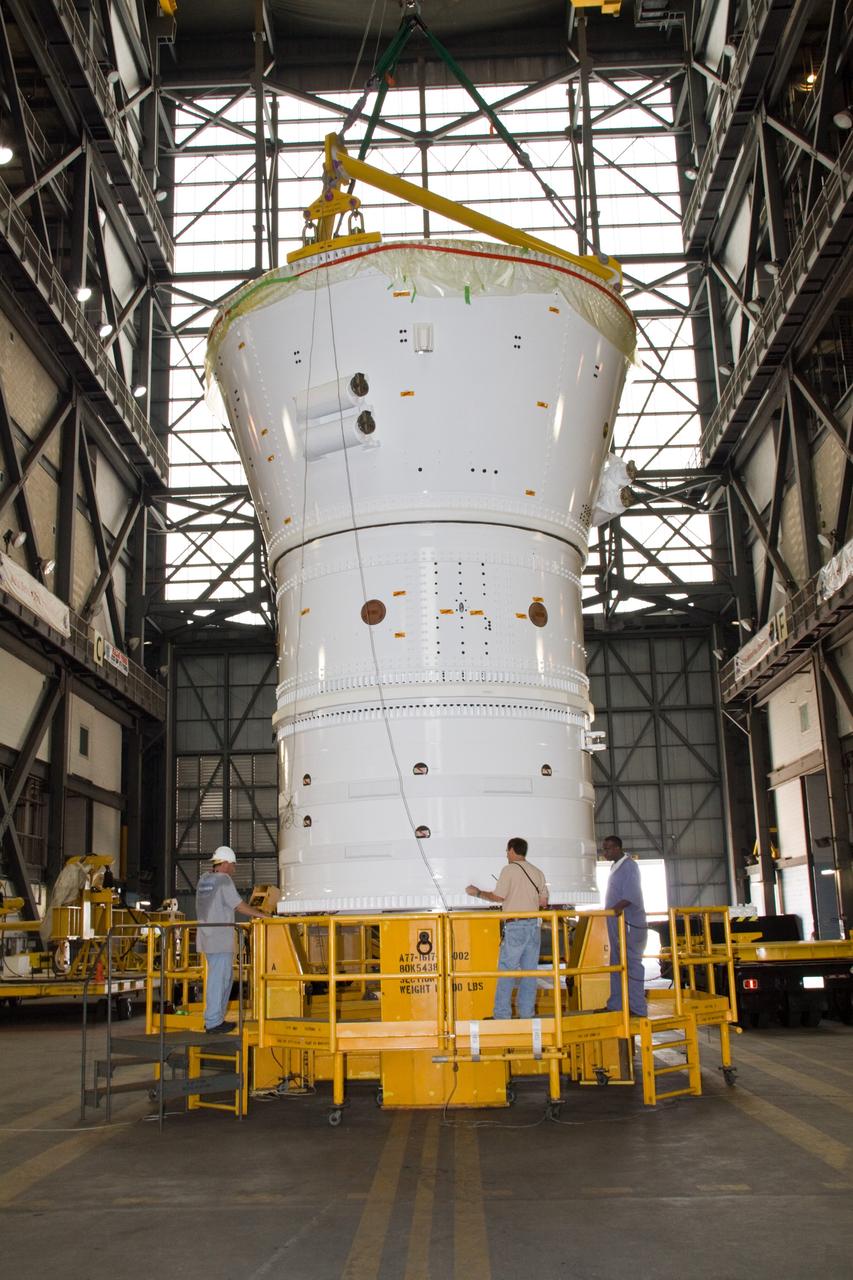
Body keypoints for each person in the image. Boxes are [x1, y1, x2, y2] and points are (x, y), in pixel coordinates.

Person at [466, 837, 548, 1019]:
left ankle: (502, 1015)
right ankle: (526, 1014)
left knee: (507, 972)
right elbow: (543, 901)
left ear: (511, 850)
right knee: (530, 973)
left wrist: (476, 892)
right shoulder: (537, 872)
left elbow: (498, 897)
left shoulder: (509, 870)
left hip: (515, 926)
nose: (506, 854)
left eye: (507, 851)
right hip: (534, 926)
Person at [195, 846, 269, 1033]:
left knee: (218, 978)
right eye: (233, 865)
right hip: (219, 938)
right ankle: (213, 1022)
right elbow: (240, 906)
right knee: (221, 979)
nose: (234, 869)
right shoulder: (224, 880)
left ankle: (214, 1019)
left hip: (206, 937)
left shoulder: (203, 880)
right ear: (225, 863)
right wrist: (263, 915)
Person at [601, 834, 647, 1017]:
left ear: (618, 848)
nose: (605, 852)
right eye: (604, 849)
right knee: (617, 963)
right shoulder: (616, 867)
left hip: (629, 924)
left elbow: (630, 895)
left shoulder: (629, 867)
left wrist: (614, 909)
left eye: (608, 848)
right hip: (616, 923)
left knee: (632, 964)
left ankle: (637, 1008)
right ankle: (616, 1004)